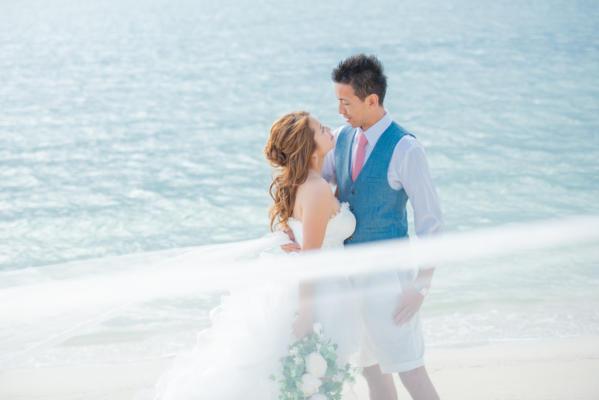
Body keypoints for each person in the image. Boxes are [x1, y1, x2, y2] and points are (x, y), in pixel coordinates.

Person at [154, 111, 362, 399]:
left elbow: (304, 239)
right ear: (309, 147)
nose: (328, 128)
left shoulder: (305, 184)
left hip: (323, 289)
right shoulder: (315, 189)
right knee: (313, 382)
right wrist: (307, 315)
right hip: (320, 296)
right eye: (319, 128)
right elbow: (311, 262)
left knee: (303, 383)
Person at [284, 54, 443, 400]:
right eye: (337, 101)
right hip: (346, 284)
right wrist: (291, 235)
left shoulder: (406, 149)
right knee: (373, 374)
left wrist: (420, 287)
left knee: (411, 372)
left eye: (346, 102)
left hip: (390, 283)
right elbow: (308, 188)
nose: (339, 111)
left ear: (371, 100)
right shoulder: (341, 138)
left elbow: (431, 224)